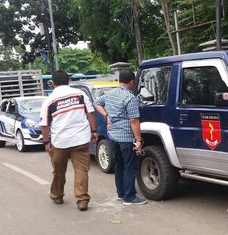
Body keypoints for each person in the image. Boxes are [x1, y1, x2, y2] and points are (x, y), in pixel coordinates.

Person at [39, 70, 98, 211]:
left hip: (60, 142)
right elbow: (90, 114)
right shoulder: (80, 94)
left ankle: (57, 195)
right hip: (81, 139)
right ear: (68, 81)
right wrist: (94, 131)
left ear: (52, 83)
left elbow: (45, 125)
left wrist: (46, 142)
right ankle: (82, 199)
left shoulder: (49, 100)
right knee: (81, 170)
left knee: (58, 171)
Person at [94, 69, 147, 206]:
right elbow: (134, 121)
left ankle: (121, 193)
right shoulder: (130, 98)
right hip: (126, 138)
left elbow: (96, 103)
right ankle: (129, 197)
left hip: (113, 137)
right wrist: (138, 140)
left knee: (119, 165)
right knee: (129, 166)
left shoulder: (110, 94)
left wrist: (106, 115)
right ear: (131, 82)